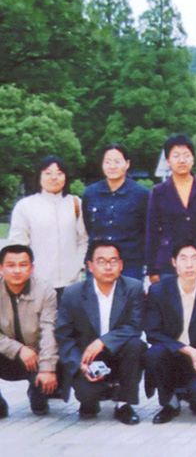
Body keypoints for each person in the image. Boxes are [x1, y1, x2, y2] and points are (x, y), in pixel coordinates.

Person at [55, 241, 146, 424]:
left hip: (119, 353)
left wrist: (103, 341)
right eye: (101, 261)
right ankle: (97, 395)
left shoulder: (133, 288)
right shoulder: (72, 293)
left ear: (121, 265)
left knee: (136, 345)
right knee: (88, 397)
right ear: (90, 266)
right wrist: (79, 365)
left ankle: (123, 404)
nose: (108, 267)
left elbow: (135, 326)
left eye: (113, 261)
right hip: (87, 358)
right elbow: (64, 335)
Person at [143, 241, 196, 423]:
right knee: (154, 353)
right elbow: (152, 332)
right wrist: (187, 350)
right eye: (183, 259)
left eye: (194, 259)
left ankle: (195, 395)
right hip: (171, 356)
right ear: (174, 262)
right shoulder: (159, 291)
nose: (189, 265)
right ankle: (170, 403)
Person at [8, 156, 88, 291]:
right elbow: (18, 245)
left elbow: (83, 239)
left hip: (72, 283)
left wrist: (79, 265)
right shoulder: (25, 206)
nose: (54, 178)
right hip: (38, 284)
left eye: (59, 173)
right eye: (48, 173)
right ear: (39, 176)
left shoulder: (75, 204)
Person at [145, 134, 196, 283]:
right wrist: (152, 268)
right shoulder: (159, 192)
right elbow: (152, 231)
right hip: (169, 262)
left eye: (186, 155)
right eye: (176, 156)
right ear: (168, 161)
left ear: (193, 159)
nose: (182, 160)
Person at [0, 245, 59, 417]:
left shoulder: (45, 291)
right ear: (1, 268)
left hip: (36, 357)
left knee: (40, 407)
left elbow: (49, 330)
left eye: (23, 265)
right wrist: (18, 349)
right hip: (5, 354)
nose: (17, 270)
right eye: (11, 265)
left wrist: (47, 368)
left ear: (32, 268)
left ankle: (36, 390)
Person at [82, 144, 150, 280]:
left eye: (117, 162)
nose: (112, 166)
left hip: (130, 264)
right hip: (98, 263)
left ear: (127, 164)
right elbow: (88, 226)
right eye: (108, 162)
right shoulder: (90, 193)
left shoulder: (141, 194)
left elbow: (147, 230)